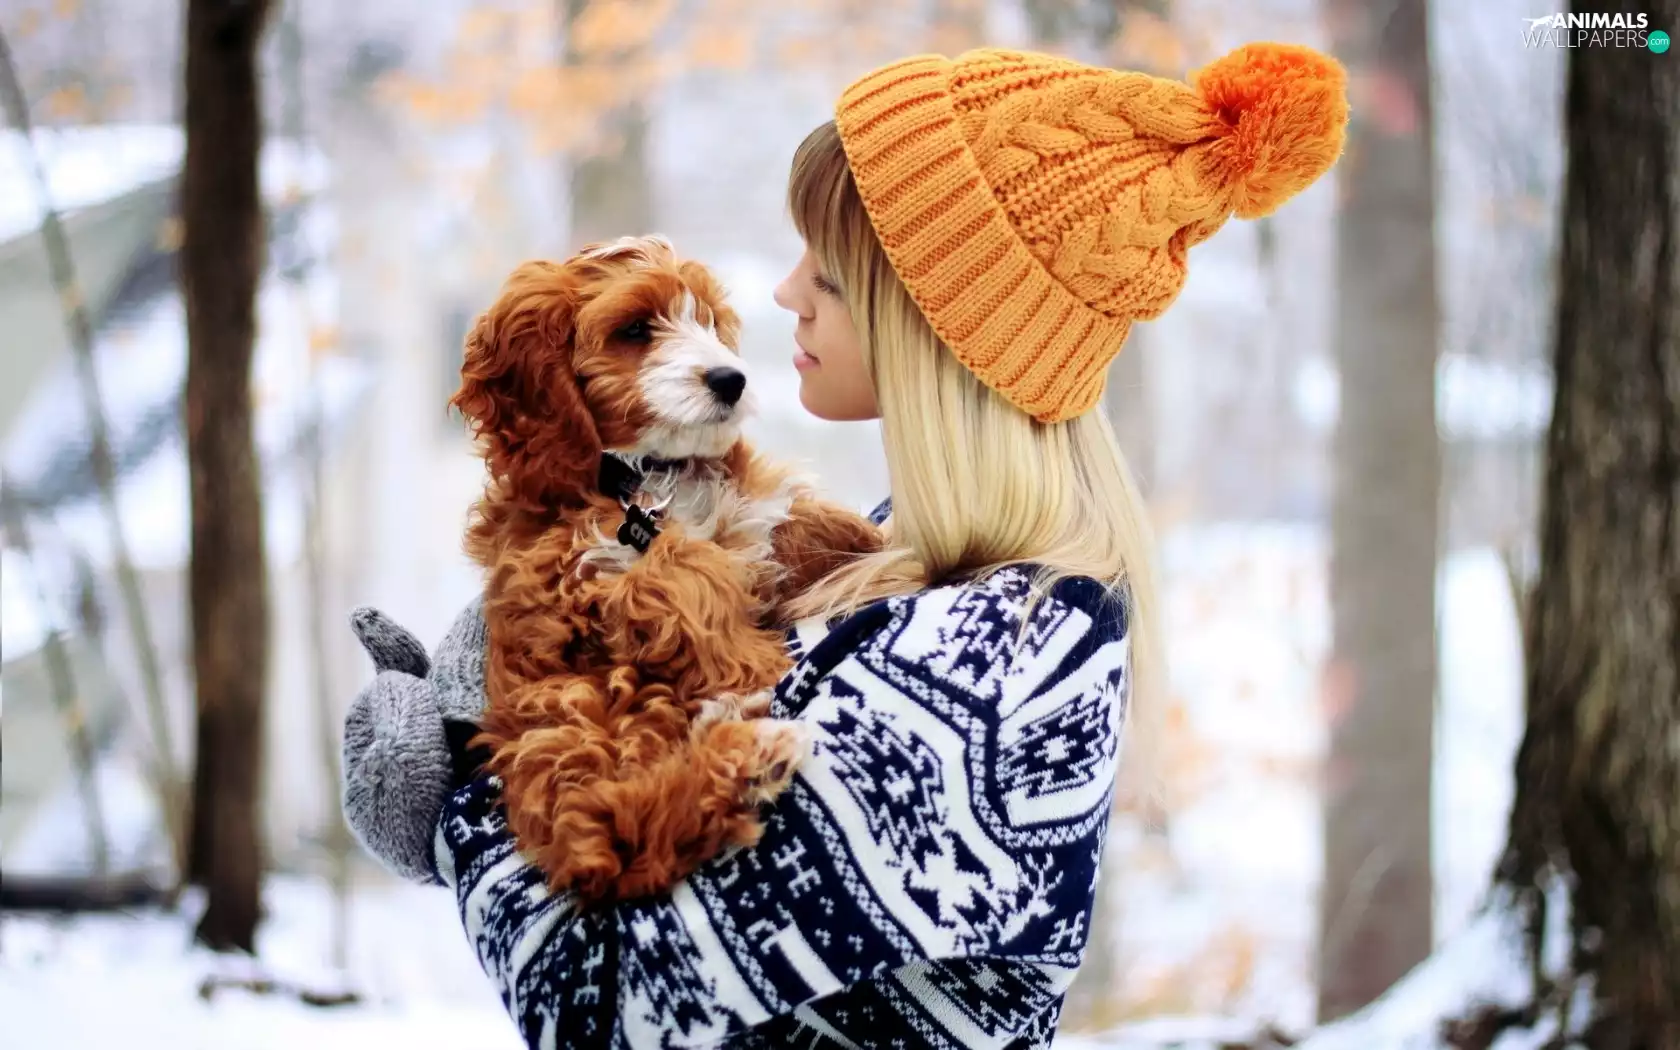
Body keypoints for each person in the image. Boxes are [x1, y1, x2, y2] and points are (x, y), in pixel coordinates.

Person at [341, 41, 1348, 1048]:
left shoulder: (989, 678)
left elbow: (594, 1005)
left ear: (943, 318)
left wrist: (468, 781)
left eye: (828, 268)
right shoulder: (888, 567)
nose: (784, 295)